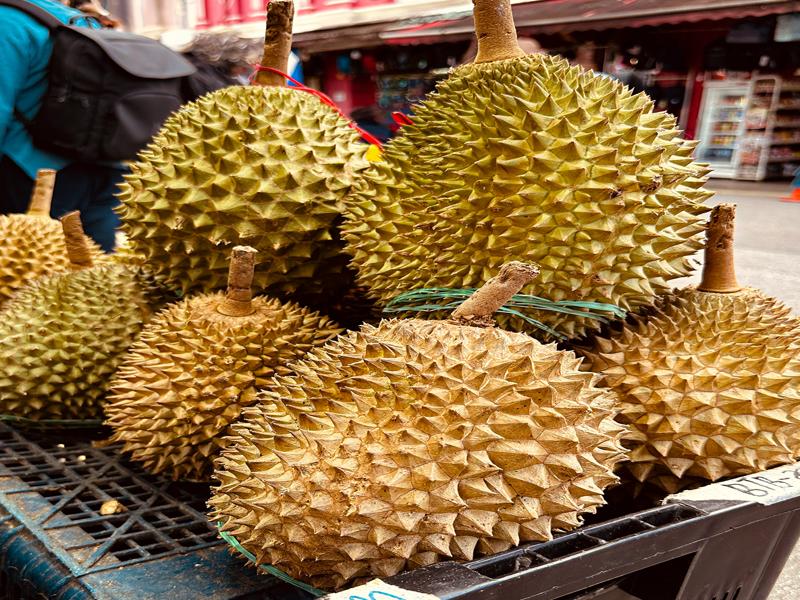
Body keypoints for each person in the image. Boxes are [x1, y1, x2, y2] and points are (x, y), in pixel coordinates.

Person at [0, 0, 124, 251]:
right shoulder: (78, 18)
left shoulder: (6, 21)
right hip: (104, 169)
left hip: (33, 180)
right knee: (99, 280)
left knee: (29, 283)